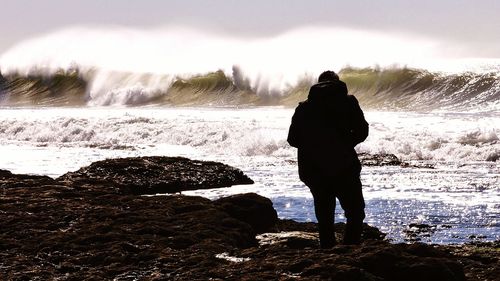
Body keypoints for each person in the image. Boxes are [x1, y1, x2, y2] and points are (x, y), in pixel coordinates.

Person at [287, 70, 369, 248]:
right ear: (337, 84)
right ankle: (351, 249)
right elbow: (362, 131)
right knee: (355, 212)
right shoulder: (348, 102)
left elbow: (292, 139)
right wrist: (345, 144)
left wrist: (313, 147)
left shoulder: (304, 107)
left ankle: (327, 249)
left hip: (313, 169)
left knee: (324, 215)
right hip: (344, 166)